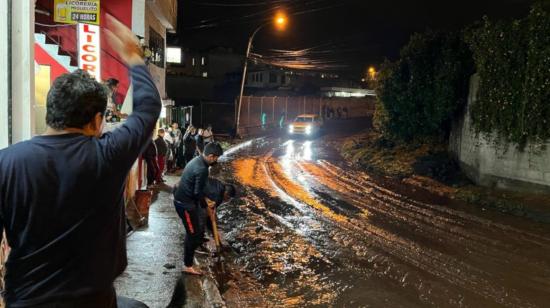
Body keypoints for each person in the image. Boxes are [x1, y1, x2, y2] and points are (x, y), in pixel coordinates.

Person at [0, 15, 159, 307]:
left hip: (25, 300)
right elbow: (148, 110)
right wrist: (134, 58)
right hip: (94, 301)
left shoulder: (7, 163)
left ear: (51, 111)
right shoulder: (108, 155)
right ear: (97, 120)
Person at [173, 143, 224, 275]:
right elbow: (197, 193)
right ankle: (188, 265)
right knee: (193, 234)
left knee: (193, 232)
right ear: (211, 156)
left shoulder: (196, 160)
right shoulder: (202, 169)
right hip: (184, 204)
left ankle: (189, 255)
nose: (216, 161)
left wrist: (205, 200)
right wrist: (206, 206)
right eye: (216, 158)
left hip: (186, 200)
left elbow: (198, 190)